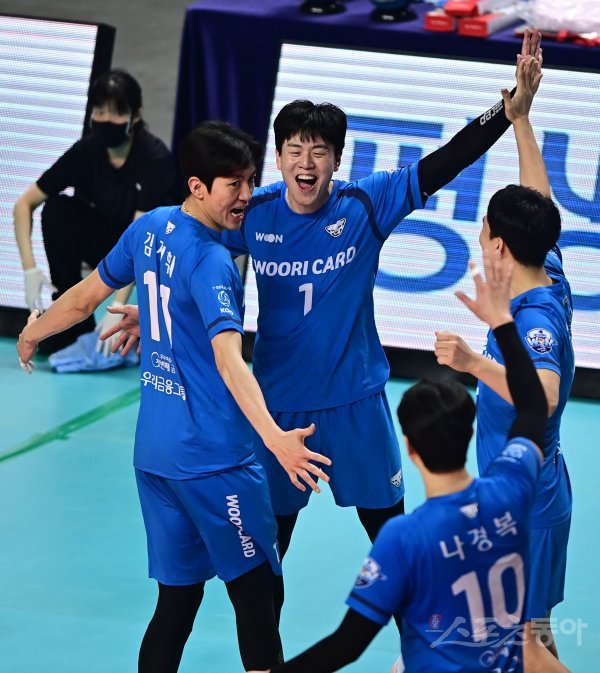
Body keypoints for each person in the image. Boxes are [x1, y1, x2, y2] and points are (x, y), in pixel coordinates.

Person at [101, 31, 544, 623]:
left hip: (356, 404)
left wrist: (507, 110)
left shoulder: (366, 204)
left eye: (319, 152)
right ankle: (269, 659)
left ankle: (432, 646)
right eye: (294, 151)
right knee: (268, 561)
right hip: (279, 411)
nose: (305, 164)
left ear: (337, 159)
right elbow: (190, 243)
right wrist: (159, 313)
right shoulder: (254, 212)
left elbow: (447, 160)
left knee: (393, 540)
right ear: (278, 157)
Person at [16, 121, 332, 673]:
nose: (247, 196)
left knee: (177, 604)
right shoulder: (213, 262)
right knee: (256, 601)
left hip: (156, 459)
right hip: (216, 463)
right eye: (233, 184)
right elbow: (230, 361)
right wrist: (275, 439)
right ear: (197, 186)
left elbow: (87, 298)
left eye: (250, 180)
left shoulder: (150, 228)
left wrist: (33, 332)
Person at [246, 241, 551, 673]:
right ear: (468, 434)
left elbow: (346, 646)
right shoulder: (511, 490)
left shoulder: (404, 539)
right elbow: (534, 405)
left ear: (409, 447)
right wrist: (502, 321)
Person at [434, 50, 573, 672]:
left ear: (499, 246)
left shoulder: (534, 320)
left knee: (524, 647)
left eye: (485, 227)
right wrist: (521, 118)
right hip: (521, 496)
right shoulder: (547, 269)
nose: (480, 233)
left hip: (529, 506)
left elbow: (544, 395)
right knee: (528, 640)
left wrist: (474, 361)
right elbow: (537, 196)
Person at [13, 68, 181, 355]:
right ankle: (71, 319)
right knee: (57, 210)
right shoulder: (86, 151)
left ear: (135, 116)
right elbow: (24, 204)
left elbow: (141, 239)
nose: (106, 120)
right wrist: (29, 270)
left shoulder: (154, 158)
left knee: (150, 240)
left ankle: (146, 323)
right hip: (108, 243)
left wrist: (117, 308)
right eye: (100, 111)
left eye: (116, 113)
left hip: (156, 254)